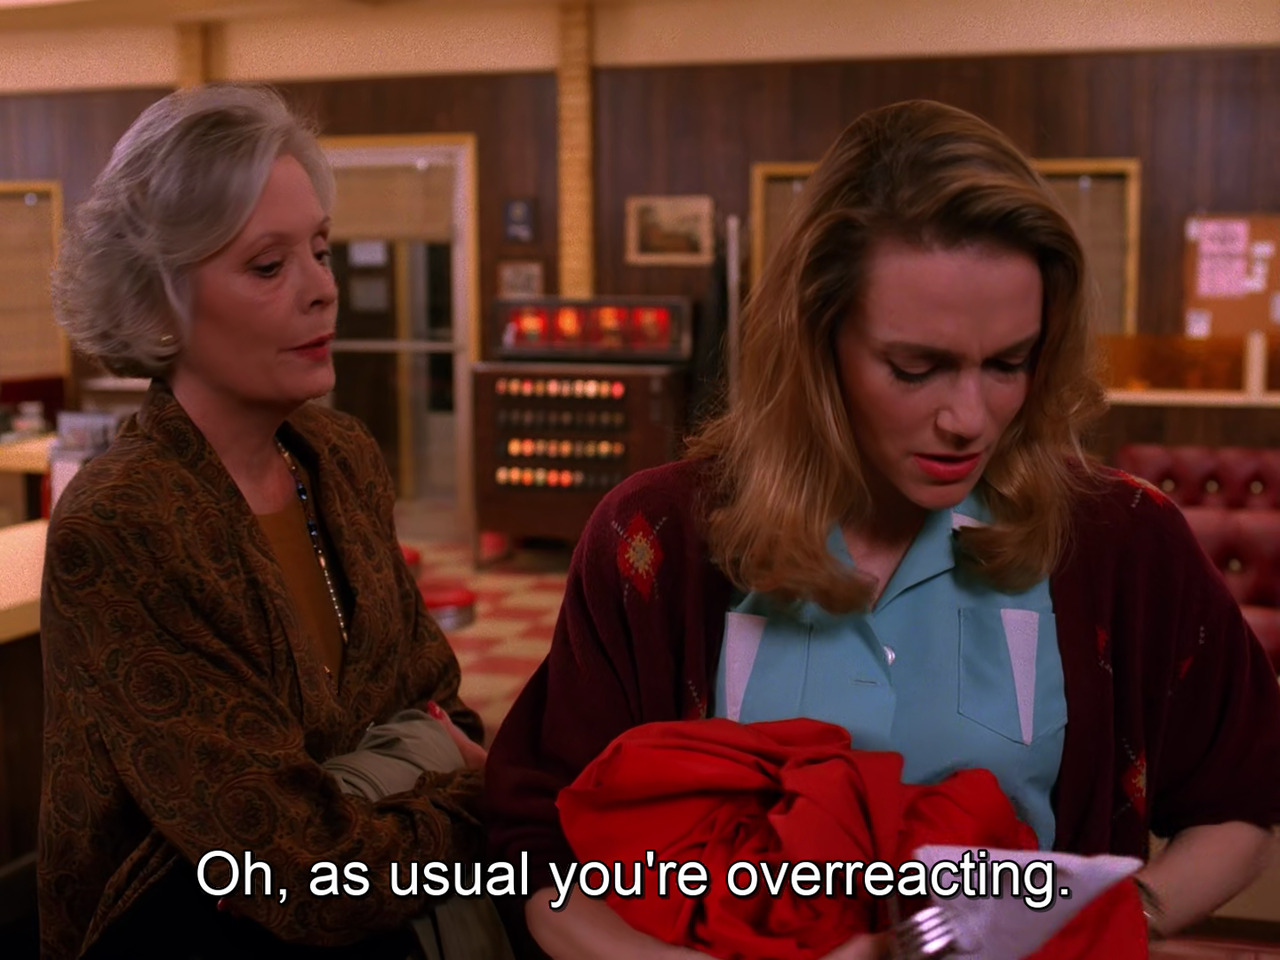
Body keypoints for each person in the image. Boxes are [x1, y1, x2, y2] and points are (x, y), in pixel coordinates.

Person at [484, 99, 1280, 958]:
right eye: (916, 367)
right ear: (815, 342)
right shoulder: (659, 538)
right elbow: (541, 863)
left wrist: (1109, 921)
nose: (969, 419)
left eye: (1009, 363)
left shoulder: (1121, 538)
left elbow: (1240, 802)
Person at [39, 84, 491, 959]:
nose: (323, 289)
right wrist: (496, 805)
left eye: (321, 250)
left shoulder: (342, 457)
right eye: (267, 266)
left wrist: (397, 783)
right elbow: (294, 872)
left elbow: (442, 709)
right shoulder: (121, 522)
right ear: (155, 305)